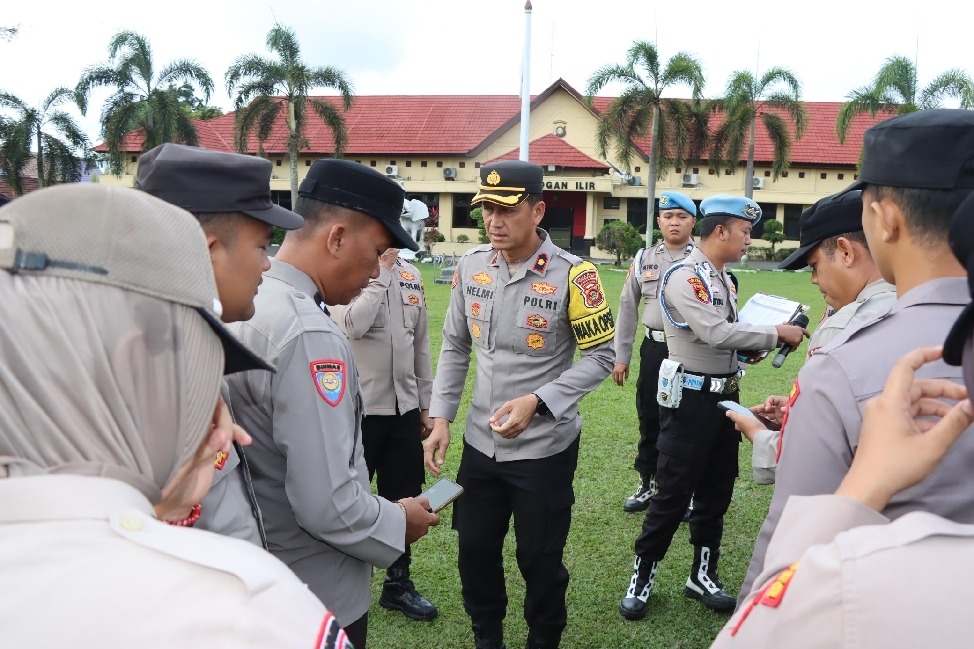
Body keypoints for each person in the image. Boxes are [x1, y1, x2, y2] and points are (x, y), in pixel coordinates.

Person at [0, 184, 350, 648]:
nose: (221, 424)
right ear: (136, 365)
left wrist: (158, 503)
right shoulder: (244, 607)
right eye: (197, 367)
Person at [711, 190, 974, 647]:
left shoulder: (847, 349)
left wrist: (771, 438)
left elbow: (781, 584)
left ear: (883, 221)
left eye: (814, 266)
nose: (813, 280)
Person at [226, 158, 440, 649]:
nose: (375, 271)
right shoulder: (307, 332)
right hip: (315, 593)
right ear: (337, 237)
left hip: (260, 576)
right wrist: (397, 521)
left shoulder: (243, 303)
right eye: (377, 251)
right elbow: (327, 505)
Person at [424, 160, 615, 649]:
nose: (494, 221)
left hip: (544, 448)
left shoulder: (577, 275)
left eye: (506, 209)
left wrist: (539, 401)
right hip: (478, 445)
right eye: (487, 209)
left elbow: (601, 357)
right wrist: (442, 415)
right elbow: (455, 345)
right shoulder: (471, 267)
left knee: (539, 557)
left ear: (538, 210)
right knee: (475, 549)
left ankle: (542, 639)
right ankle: (487, 635)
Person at [618, 195, 807, 621]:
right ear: (721, 231)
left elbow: (730, 342)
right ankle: (642, 574)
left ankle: (702, 574)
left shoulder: (724, 278)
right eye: (744, 232)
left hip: (725, 396)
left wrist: (751, 353)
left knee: (718, 489)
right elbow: (716, 332)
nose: (749, 240)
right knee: (672, 491)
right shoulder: (684, 277)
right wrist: (776, 333)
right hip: (688, 402)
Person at [136, 142, 305, 546]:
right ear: (207, 252)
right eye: (262, 246)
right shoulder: (153, 377)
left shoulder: (182, 349)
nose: (267, 263)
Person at [727, 190, 896, 484]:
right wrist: (799, 412)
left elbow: (816, 449)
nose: (814, 279)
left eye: (815, 266)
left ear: (845, 251)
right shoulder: (917, 303)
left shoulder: (842, 326)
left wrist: (760, 435)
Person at [330, 247, 438, 621]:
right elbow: (352, 325)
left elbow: (420, 343)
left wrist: (426, 404)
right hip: (357, 412)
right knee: (348, 498)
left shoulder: (411, 275)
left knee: (403, 496)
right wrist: (380, 274)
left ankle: (397, 584)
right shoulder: (348, 270)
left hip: (403, 412)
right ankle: (340, 584)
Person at [614, 191, 696, 513]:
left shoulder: (703, 259)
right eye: (668, 216)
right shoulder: (643, 259)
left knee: (686, 420)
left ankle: (685, 492)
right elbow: (627, 308)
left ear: (692, 221)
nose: (674, 222)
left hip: (691, 350)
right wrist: (622, 357)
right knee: (649, 416)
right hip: (655, 349)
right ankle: (647, 483)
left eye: (682, 216)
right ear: (659, 221)